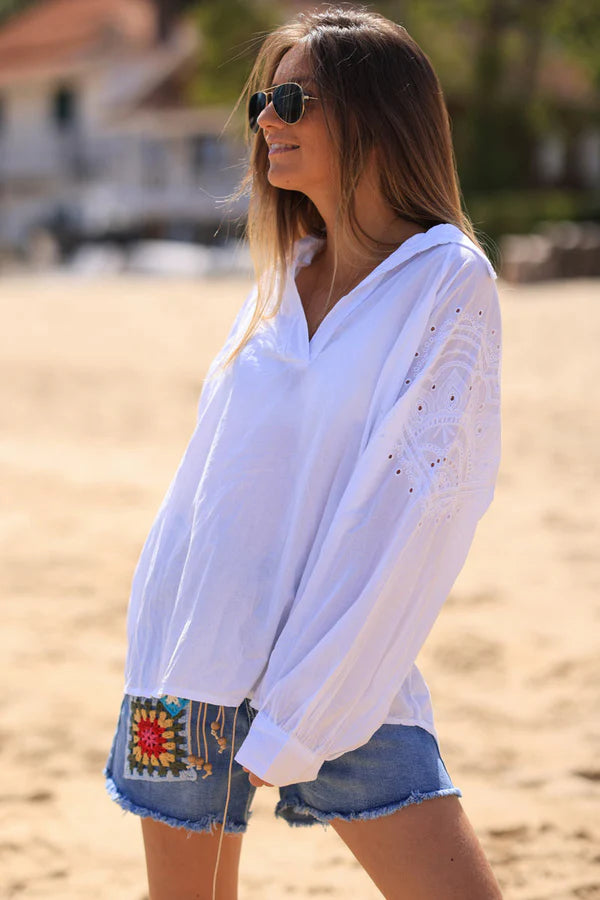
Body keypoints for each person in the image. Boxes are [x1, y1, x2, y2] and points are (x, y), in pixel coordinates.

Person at [103, 5, 504, 899]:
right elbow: (205, 495)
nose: (268, 120)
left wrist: (298, 717)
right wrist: (153, 659)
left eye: (293, 99)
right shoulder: (279, 278)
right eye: (262, 102)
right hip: (181, 669)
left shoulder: (444, 279)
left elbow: (415, 517)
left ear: (378, 117)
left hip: (339, 677)